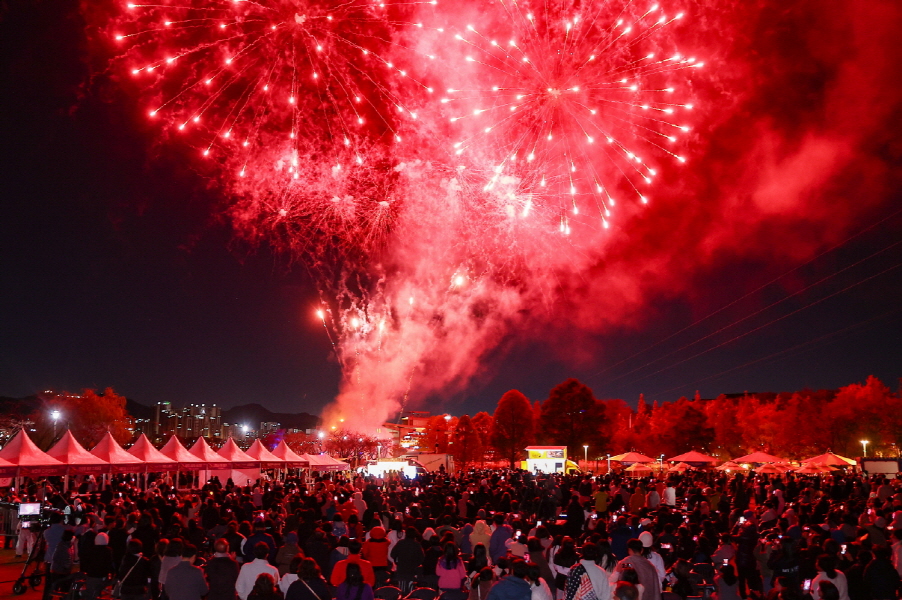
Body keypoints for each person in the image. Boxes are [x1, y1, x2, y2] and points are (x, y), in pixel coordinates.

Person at [81, 531, 116, 600]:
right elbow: (110, 563)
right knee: (98, 591)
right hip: (102, 575)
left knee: (90, 591)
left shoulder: (91, 549)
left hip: (91, 574)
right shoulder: (108, 551)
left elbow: (86, 561)